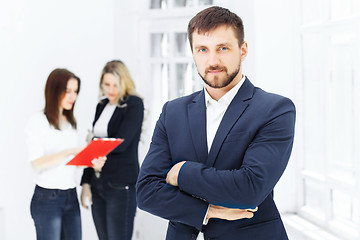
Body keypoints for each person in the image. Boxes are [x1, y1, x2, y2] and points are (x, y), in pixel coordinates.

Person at [136, 6, 296, 240]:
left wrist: (181, 173)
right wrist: (206, 211)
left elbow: (249, 189)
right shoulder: (173, 112)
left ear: (242, 50)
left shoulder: (274, 109)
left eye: (223, 48)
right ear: (192, 53)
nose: (213, 60)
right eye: (202, 49)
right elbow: (147, 191)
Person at [25, 68, 106, 240]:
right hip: (47, 198)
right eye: (67, 91)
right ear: (54, 91)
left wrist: (90, 162)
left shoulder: (70, 123)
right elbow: (36, 163)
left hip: (70, 195)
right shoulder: (38, 121)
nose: (72, 97)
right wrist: (69, 151)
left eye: (75, 91)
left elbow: (70, 163)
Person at [80, 60, 144, 240]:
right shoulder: (102, 105)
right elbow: (91, 149)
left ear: (124, 82)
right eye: (107, 84)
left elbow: (121, 143)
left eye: (116, 85)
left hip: (120, 186)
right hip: (98, 183)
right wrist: (86, 182)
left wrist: (94, 143)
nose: (111, 90)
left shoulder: (134, 104)